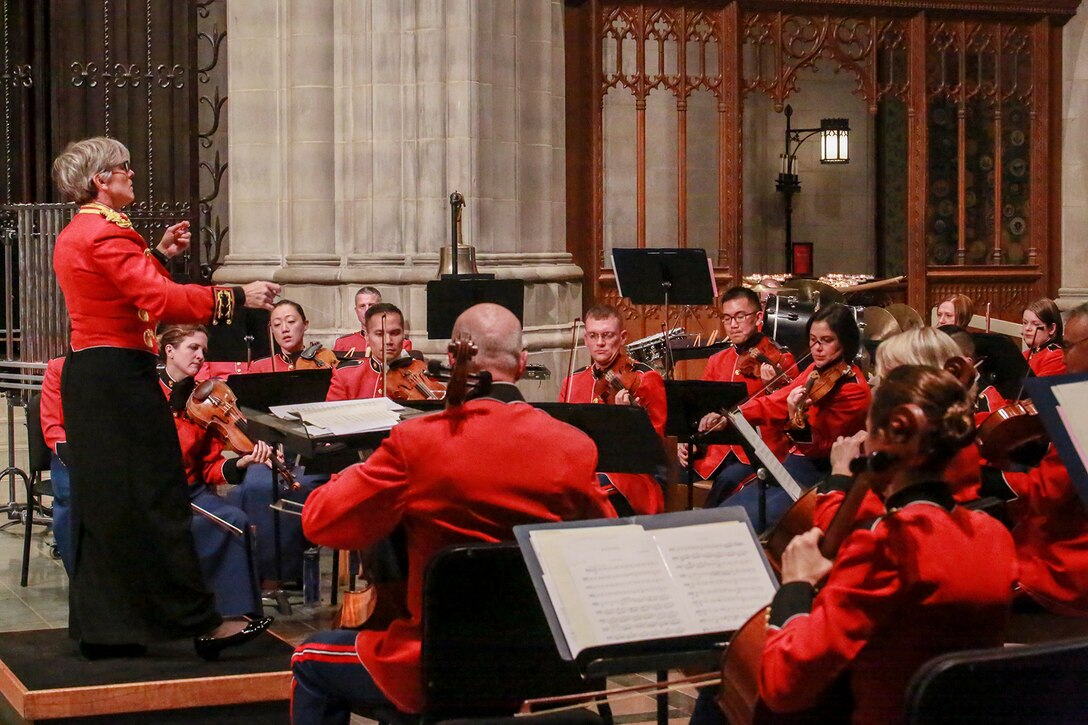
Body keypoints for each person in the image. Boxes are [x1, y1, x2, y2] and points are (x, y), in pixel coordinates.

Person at [290, 303, 616, 722]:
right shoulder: (573, 446)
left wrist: (355, 472)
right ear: (522, 364)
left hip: (433, 668)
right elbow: (606, 543)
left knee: (309, 658)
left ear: (451, 361)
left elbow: (321, 521)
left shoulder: (418, 442)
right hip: (536, 663)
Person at [51, 136, 277, 659]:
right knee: (159, 498)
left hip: (96, 375)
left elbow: (116, 290)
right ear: (99, 181)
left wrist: (154, 254)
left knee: (111, 507)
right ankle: (200, 622)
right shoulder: (105, 233)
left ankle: (108, 629)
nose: (132, 172)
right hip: (117, 377)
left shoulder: (84, 231)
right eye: (123, 167)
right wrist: (238, 296)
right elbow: (159, 300)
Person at [750, 365, 1016, 723]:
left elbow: (784, 687)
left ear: (884, 440)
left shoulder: (885, 547)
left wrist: (796, 584)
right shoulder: (994, 535)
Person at [715, 303, 871, 532]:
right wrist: (733, 415)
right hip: (792, 465)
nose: (817, 349)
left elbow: (822, 447)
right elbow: (775, 401)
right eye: (813, 340)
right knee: (728, 511)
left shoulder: (854, 389)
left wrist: (797, 421)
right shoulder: (816, 370)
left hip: (821, 473)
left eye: (826, 341)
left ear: (845, 342)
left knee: (750, 521)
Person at [980, 302, 1088, 616]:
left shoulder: (1081, 408)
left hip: (1064, 569)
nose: (1063, 355)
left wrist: (984, 477)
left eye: (1068, 346)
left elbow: (1044, 494)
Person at [159, 324, 267, 617]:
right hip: (162, 493)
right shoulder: (147, 393)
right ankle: (229, 615)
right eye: (192, 348)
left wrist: (240, 463)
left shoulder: (204, 401)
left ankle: (237, 615)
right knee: (232, 522)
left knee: (238, 519)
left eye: (203, 350)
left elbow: (208, 467)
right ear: (169, 351)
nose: (200, 356)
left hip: (193, 490)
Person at [678, 287, 796, 506]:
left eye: (740, 317)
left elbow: (788, 416)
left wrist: (772, 388)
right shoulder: (717, 360)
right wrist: (688, 441)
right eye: (727, 318)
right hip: (718, 453)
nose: (733, 324)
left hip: (757, 453)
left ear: (758, 317)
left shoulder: (781, 359)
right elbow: (703, 409)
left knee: (727, 480)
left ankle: (707, 530)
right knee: (673, 475)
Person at [559, 303, 667, 515]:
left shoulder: (644, 379)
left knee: (586, 492)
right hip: (583, 472)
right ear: (585, 339)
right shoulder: (572, 381)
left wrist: (628, 418)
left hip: (629, 477)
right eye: (593, 336)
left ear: (622, 337)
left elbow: (654, 446)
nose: (600, 343)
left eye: (607, 335)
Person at [326, 302, 421, 401]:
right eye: (380, 334)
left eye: (395, 333)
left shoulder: (421, 373)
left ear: (403, 335)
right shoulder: (345, 375)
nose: (388, 341)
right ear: (367, 337)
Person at [38, 357, 72, 574]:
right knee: (70, 496)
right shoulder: (59, 367)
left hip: (110, 450)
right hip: (72, 452)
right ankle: (76, 572)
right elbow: (51, 425)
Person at [248, 300, 339, 372]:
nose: (284, 329)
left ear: (305, 324)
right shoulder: (259, 367)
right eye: (277, 324)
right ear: (271, 330)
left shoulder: (324, 358)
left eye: (291, 321)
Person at [1021, 297, 1067, 377]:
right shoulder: (1025, 355)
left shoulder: (1057, 357)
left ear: (1052, 329)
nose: (1027, 328)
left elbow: (1037, 388)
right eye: (1025, 323)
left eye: (1036, 324)